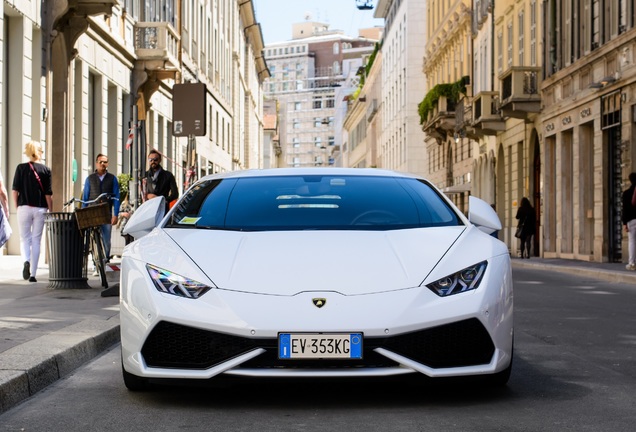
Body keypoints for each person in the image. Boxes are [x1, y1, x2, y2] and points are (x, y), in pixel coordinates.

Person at [11, 141, 53, 282]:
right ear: (40, 152)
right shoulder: (46, 170)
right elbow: (48, 194)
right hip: (40, 208)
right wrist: (50, 210)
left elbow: (15, 190)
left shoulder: (21, 168)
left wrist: (17, 206)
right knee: (36, 240)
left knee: (25, 239)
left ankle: (26, 261)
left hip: (24, 207)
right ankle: (33, 274)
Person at [82, 154, 120, 261]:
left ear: (107, 163)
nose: (102, 164)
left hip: (106, 213)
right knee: (93, 238)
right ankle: (95, 262)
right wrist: (83, 213)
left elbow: (116, 197)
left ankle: (106, 258)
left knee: (106, 239)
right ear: (96, 163)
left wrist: (115, 214)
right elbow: (85, 198)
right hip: (92, 213)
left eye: (105, 162)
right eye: (100, 162)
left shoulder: (112, 178)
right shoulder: (90, 179)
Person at [622, 172, 636, 271]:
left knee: (632, 241)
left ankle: (632, 263)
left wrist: (624, 223)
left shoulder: (626, 193)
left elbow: (625, 210)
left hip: (631, 220)